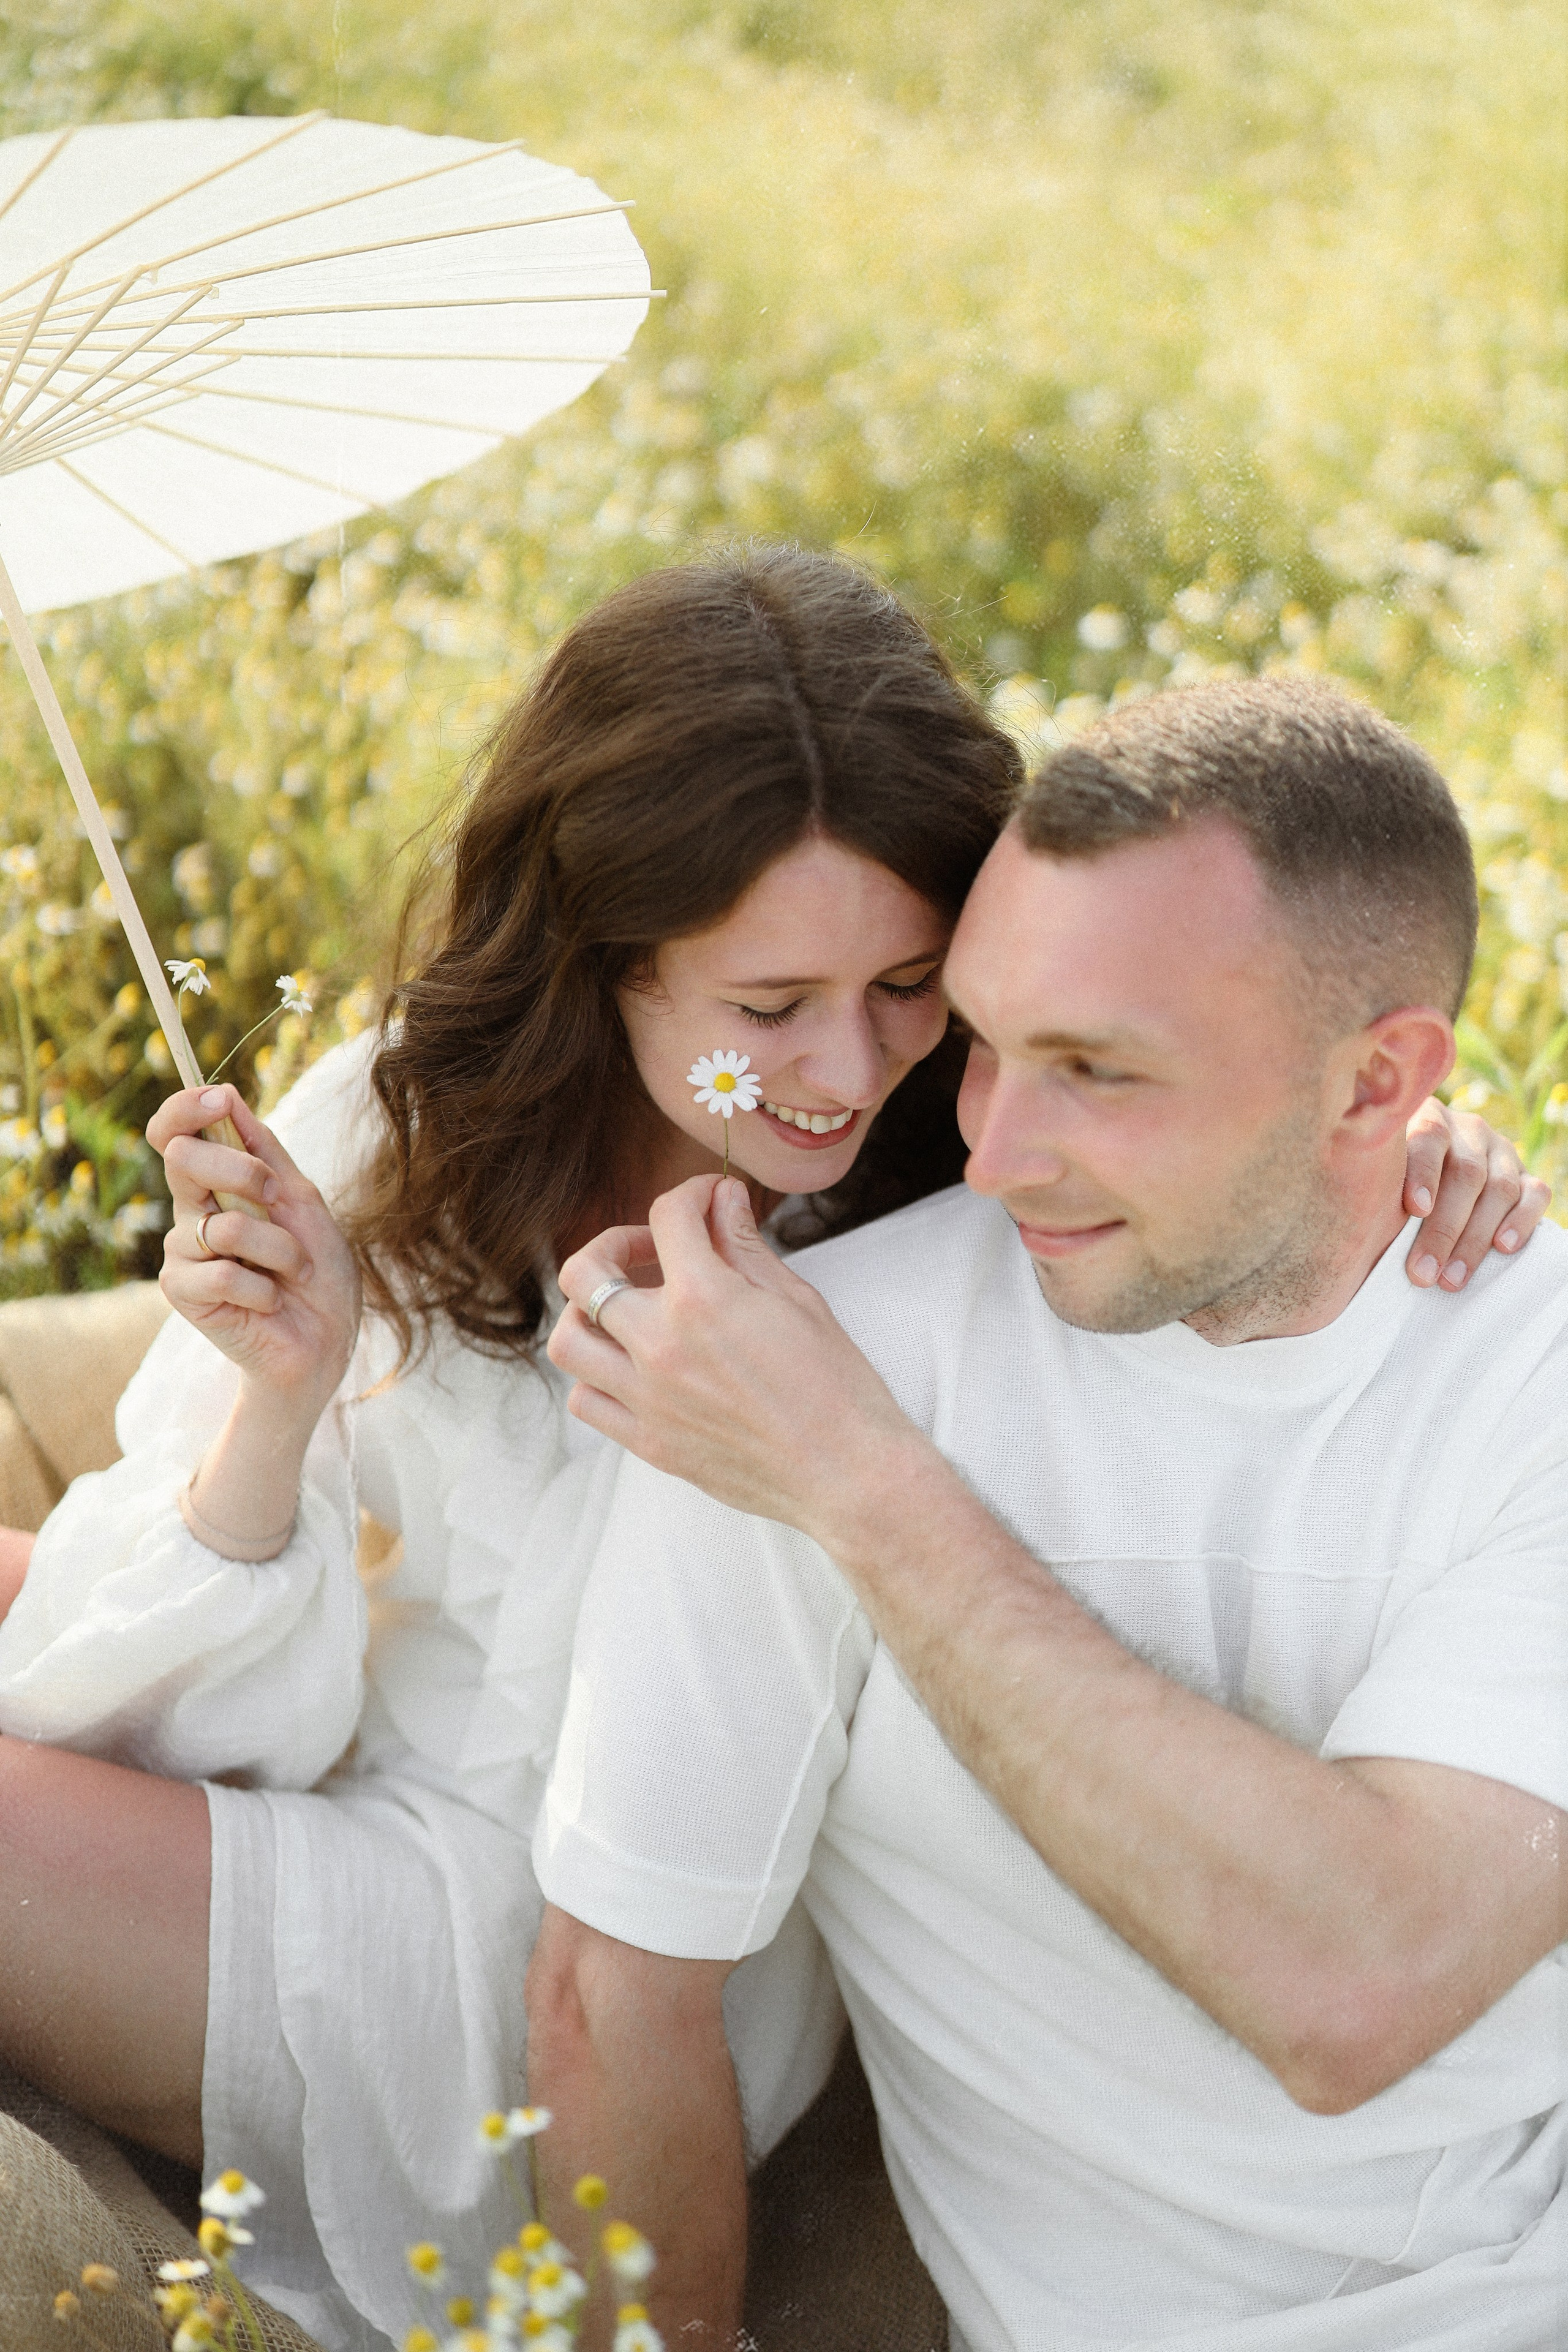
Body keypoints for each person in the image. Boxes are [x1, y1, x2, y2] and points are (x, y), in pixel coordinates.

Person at [0, 560, 1532, 2345]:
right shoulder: (399, 1126)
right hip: (333, 1762)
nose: (850, 1068)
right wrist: (282, 1399)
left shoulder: (944, 1207)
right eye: (767, 1008)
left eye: (906, 986)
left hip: (558, 1926)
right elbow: (195, 1706)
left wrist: (1413, 1142)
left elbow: (1226, 1121)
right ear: (611, 965)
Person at [538, 673, 1568, 2352]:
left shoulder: (1538, 1373)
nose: (996, 1151)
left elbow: (1360, 1984)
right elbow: (613, 1991)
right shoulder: (791, 1367)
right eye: (988, 1043)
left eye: (1094, 1069)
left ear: (1381, 1089)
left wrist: (865, 1489)